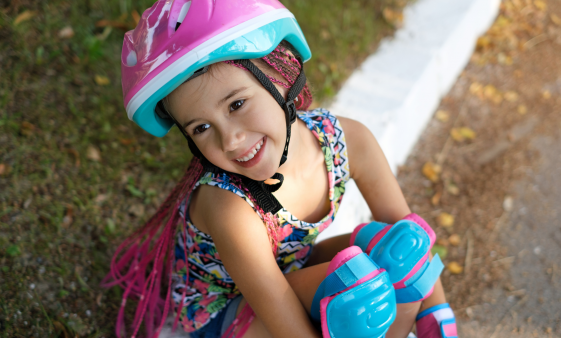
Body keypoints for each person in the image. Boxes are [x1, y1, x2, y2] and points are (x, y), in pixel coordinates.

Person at [104, 1, 458, 338]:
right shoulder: (229, 207)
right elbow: (286, 325)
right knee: (356, 294)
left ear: (280, 71)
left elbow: (413, 243)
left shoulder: (346, 141)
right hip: (225, 316)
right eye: (201, 128)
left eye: (237, 104)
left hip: (291, 272)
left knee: (400, 249)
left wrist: (437, 314)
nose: (230, 140)